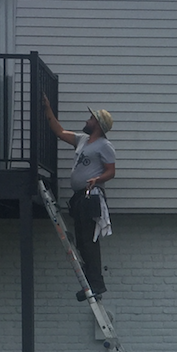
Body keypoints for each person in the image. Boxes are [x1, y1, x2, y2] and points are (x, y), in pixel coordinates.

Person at [43, 96, 115, 300]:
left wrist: (97, 179)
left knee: (89, 241)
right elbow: (59, 131)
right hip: (80, 198)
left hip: (92, 197)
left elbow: (111, 172)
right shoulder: (82, 140)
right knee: (82, 243)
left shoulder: (104, 146)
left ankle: (97, 285)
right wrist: (47, 109)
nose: (86, 121)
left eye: (90, 118)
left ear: (98, 125)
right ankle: (90, 285)